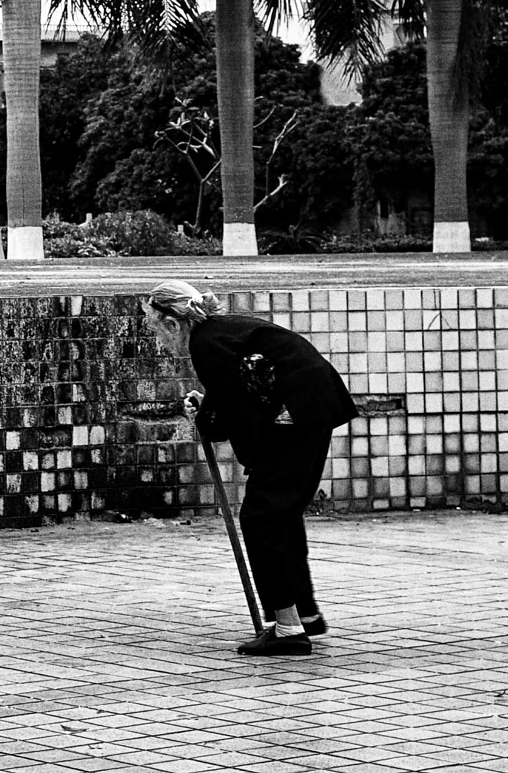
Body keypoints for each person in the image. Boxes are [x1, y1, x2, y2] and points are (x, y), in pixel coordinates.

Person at [142, 279, 358, 657]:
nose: (157, 339)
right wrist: (209, 409)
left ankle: (289, 630)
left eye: (154, 328)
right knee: (280, 513)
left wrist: (207, 420)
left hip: (297, 412)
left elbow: (235, 412)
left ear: (173, 323)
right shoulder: (220, 333)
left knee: (262, 517)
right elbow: (240, 392)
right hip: (312, 404)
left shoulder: (205, 343)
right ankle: (303, 613)